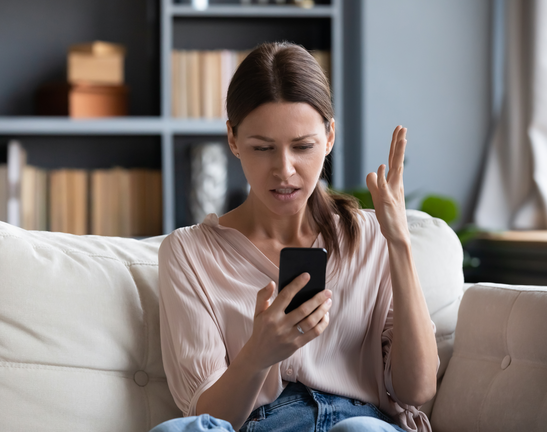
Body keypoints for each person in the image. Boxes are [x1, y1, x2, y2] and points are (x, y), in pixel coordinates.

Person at [153, 41, 439, 432]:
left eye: (303, 146)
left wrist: (400, 244)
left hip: (358, 422)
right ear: (233, 140)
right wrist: (258, 354)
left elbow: (417, 389)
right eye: (263, 148)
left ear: (329, 137)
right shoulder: (188, 252)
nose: (284, 170)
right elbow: (206, 418)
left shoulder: (372, 236)